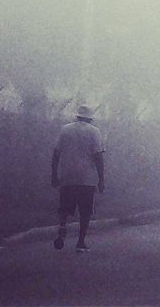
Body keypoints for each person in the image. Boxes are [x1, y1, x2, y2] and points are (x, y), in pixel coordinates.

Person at [51, 103, 105, 251]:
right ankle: (80, 241)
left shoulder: (65, 130)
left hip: (67, 175)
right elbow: (98, 156)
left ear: (77, 116)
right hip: (86, 178)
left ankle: (62, 226)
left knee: (64, 207)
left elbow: (56, 153)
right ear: (90, 119)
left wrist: (54, 174)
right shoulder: (94, 132)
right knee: (85, 211)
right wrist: (101, 179)